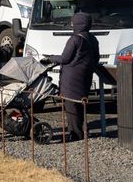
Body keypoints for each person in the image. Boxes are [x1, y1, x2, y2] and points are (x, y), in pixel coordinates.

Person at [41, 12, 100, 141]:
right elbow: (96, 58)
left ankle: (75, 134)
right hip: (85, 75)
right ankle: (83, 131)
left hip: (71, 78)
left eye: (73, 22)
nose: (72, 24)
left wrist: (50, 58)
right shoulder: (93, 38)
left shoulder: (75, 39)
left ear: (78, 24)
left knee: (71, 106)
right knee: (80, 104)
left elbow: (65, 58)